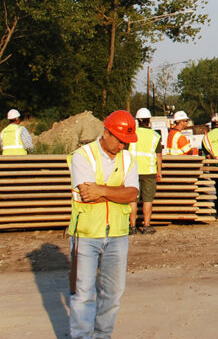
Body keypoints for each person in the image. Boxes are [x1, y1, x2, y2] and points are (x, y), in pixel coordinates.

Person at [67, 110, 139, 339]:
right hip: (86, 235)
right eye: (119, 140)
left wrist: (103, 190)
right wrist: (117, 192)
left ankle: (102, 335)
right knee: (83, 294)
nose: (122, 146)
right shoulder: (82, 156)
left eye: (126, 142)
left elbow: (133, 194)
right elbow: (87, 194)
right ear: (106, 133)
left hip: (117, 235)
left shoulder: (128, 158)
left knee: (113, 294)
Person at [128, 108, 162, 234]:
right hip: (149, 171)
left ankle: (132, 227)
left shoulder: (132, 134)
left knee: (132, 200)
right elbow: (158, 155)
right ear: (149, 121)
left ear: (137, 120)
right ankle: (146, 226)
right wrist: (159, 171)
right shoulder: (155, 135)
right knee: (147, 200)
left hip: (132, 171)